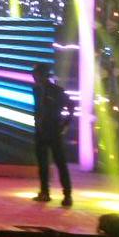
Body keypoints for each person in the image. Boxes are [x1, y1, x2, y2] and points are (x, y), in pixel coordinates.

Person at [31, 62, 74, 207]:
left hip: (54, 131)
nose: (33, 76)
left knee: (60, 163)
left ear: (42, 74)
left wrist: (65, 123)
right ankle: (45, 192)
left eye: (35, 73)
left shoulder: (56, 91)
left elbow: (71, 105)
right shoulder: (36, 89)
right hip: (41, 131)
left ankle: (67, 195)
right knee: (43, 164)